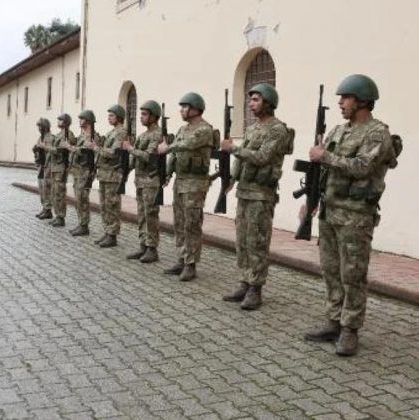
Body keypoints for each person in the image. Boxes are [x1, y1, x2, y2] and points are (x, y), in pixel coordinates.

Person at [304, 75, 398, 356]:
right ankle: (334, 321)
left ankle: (350, 329)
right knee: (331, 270)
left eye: (345, 98)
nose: (340, 103)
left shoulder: (377, 133)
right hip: (330, 212)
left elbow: (362, 167)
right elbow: (323, 171)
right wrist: (311, 201)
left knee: (353, 274)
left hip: (356, 216)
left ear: (361, 101)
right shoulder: (337, 131)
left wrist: (325, 157)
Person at [220, 84, 292, 309]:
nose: (251, 103)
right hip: (245, 190)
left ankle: (256, 288)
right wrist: (231, 179)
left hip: (261, 194)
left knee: (257, 240)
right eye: (250, 99)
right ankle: (245, 280)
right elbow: (242, 158)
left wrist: (233, 149)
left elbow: (262, 157)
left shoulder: (277, 129)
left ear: (268, 102)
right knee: (242, 241)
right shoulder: (252, 129)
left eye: (256, 99)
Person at [158, 93, 216, 280]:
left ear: (196, 109)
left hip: (195, 183)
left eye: (185, 107)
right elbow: (175, 154)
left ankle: (191, 264)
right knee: (179, 222)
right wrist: (167, 172)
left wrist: (168, 148)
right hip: (181, 180)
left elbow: (187, 145)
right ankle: (182, 258)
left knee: (192, 223)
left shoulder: (205, 129)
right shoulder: (183, 129)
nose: (181, 110)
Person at [122, 100, 163, 263]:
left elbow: (148, 156)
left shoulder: (158, 135)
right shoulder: (142, 135)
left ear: (154, 116)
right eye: (141, 114)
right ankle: (143, 245)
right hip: (140, 181)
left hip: (151, 181)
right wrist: (125, 170)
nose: (141, 117)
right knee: (141, 215)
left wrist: (130, 149)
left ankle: (152, 249)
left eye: (145, 114)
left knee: (150, 215)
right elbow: (135, 159)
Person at [88, 105, 127, 248]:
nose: (109, 118)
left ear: (119, 117)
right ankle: (107, 231)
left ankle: (112, 235)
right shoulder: (112, 132)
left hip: (113, 175)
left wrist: (96, 148)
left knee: (112, 205)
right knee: (104, 205)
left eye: (111, 115)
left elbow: (113, 153)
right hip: (105, 174)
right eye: (109, 115)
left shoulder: (121, 132)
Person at [67, 110, 99, 236]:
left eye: (82, 118)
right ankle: (81, 223)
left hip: (86, 171)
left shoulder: (92, 136)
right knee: (78, 198)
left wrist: (71, 148)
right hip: (77, 171)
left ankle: (84, 225)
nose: (79, 120)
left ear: (88, 121)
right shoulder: (81, 136)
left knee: (82, 198)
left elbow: (86, 152)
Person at [43, 114, 76, 227]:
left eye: (61, 120)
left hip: (61, 167)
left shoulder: (68, 135)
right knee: (54, 192)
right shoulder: (59, 135)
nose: (58, 121)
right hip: (55, 167)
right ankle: (57, 215)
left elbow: (59, 151)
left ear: (66, 122)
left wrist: (46, 147)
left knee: (59, 193)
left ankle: (61, 217)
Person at [33, 118, 54, 220]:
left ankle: (48, 209)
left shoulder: (50, 137)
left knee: (46, 188)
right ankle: (44, 208)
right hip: (41, 165)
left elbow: (52, 151)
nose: (39, 128)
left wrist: (43, 146)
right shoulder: (40, 137)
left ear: (45, 127)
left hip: (48, 166)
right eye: (38, 126)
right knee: (41, 188)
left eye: (40, 126)